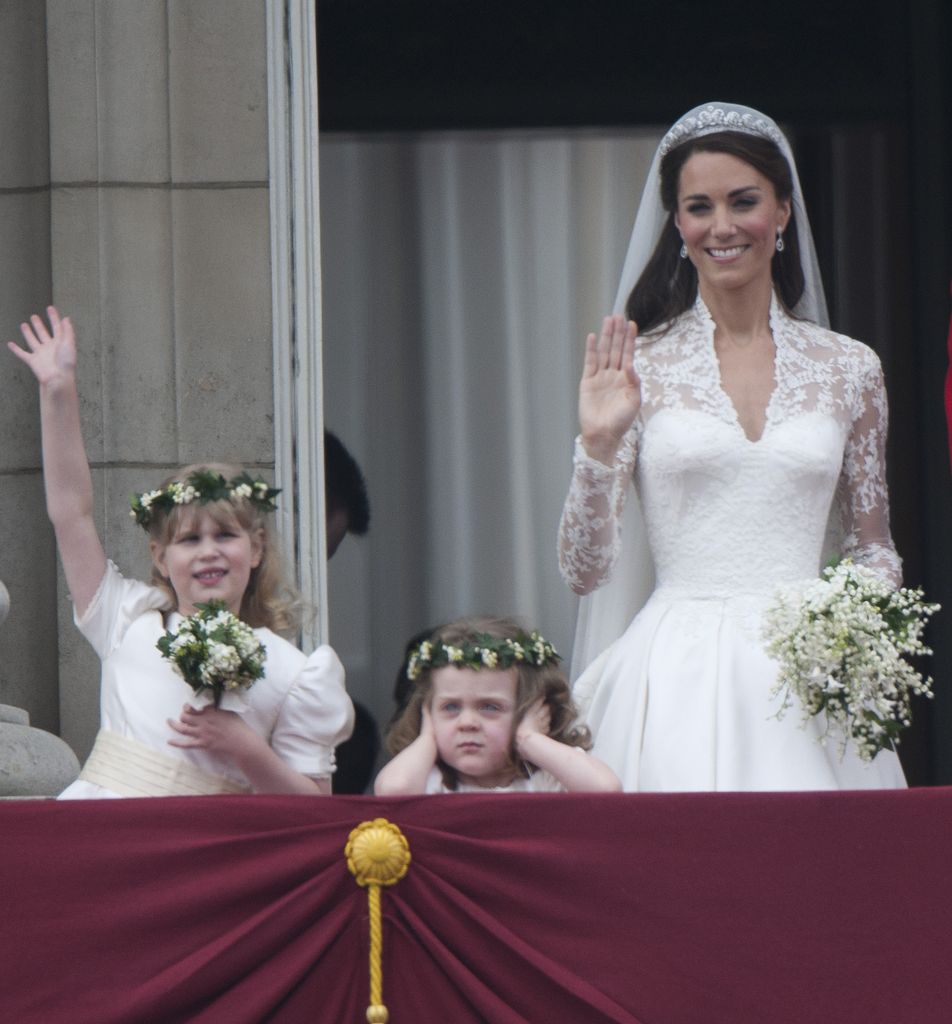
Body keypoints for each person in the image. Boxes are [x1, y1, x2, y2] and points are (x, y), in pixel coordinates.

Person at [558, 101, 907, 792]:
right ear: (678, 223)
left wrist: (844, 631)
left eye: (742, 201)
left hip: (808, 678)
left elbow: (872, 545)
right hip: (674, 673)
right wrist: (598, 448)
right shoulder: (641, 367)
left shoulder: (850, 368)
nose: (721, 226)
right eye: (698, 206)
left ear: (781, 212)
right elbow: (584, 570)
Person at [9, 307, 354, 798]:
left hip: (208, 856)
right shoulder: (125, 618)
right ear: (160, 557)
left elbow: (315, 806)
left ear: (255, 550)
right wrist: (57, 392)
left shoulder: (295, 672)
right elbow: (71, 513)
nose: (208, 553)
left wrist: (246, 749)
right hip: (105, 834)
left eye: (226, 537)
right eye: (190, 540)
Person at [374, 617, 621, 794]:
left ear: (533, 710)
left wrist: (527, 739)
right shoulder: (430, 781)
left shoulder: (546, 779)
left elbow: (606, 789)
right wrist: (427, 737)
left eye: (489, 707)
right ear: (427, 713)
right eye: (450, 707)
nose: (468, 723)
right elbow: (393, 790)